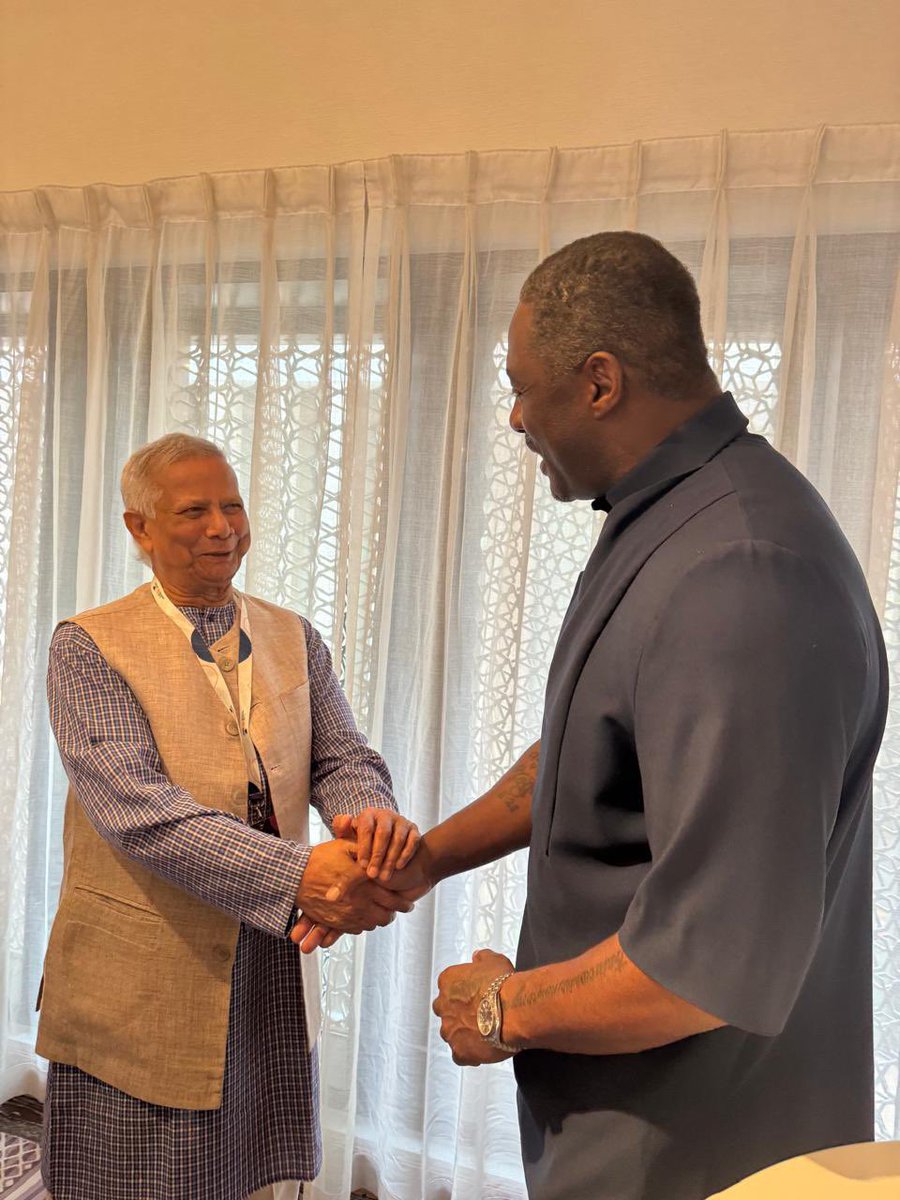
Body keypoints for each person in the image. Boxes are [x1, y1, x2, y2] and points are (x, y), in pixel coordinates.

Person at [349, 232, 889, 1200]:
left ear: (600, 382)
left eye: (523, 386)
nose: (514, 416)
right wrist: (427, 859)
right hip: (630, 1129)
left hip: (698, 1154)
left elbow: (703, 965)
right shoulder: (667, 515)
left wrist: (499, 1008)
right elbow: (586, 754)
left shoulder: (741, 572)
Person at [37, 433, 419, 1200]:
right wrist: (304, 873)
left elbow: (342, 756)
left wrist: (367, 822)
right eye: (193, 510)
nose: (222, 527)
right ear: (139, 529)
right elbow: (141, 813)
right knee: (138, 1170)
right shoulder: (87, 646)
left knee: (238, 1162)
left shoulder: (290, 634)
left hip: (267, 944)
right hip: (146, 955)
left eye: (233, 505)